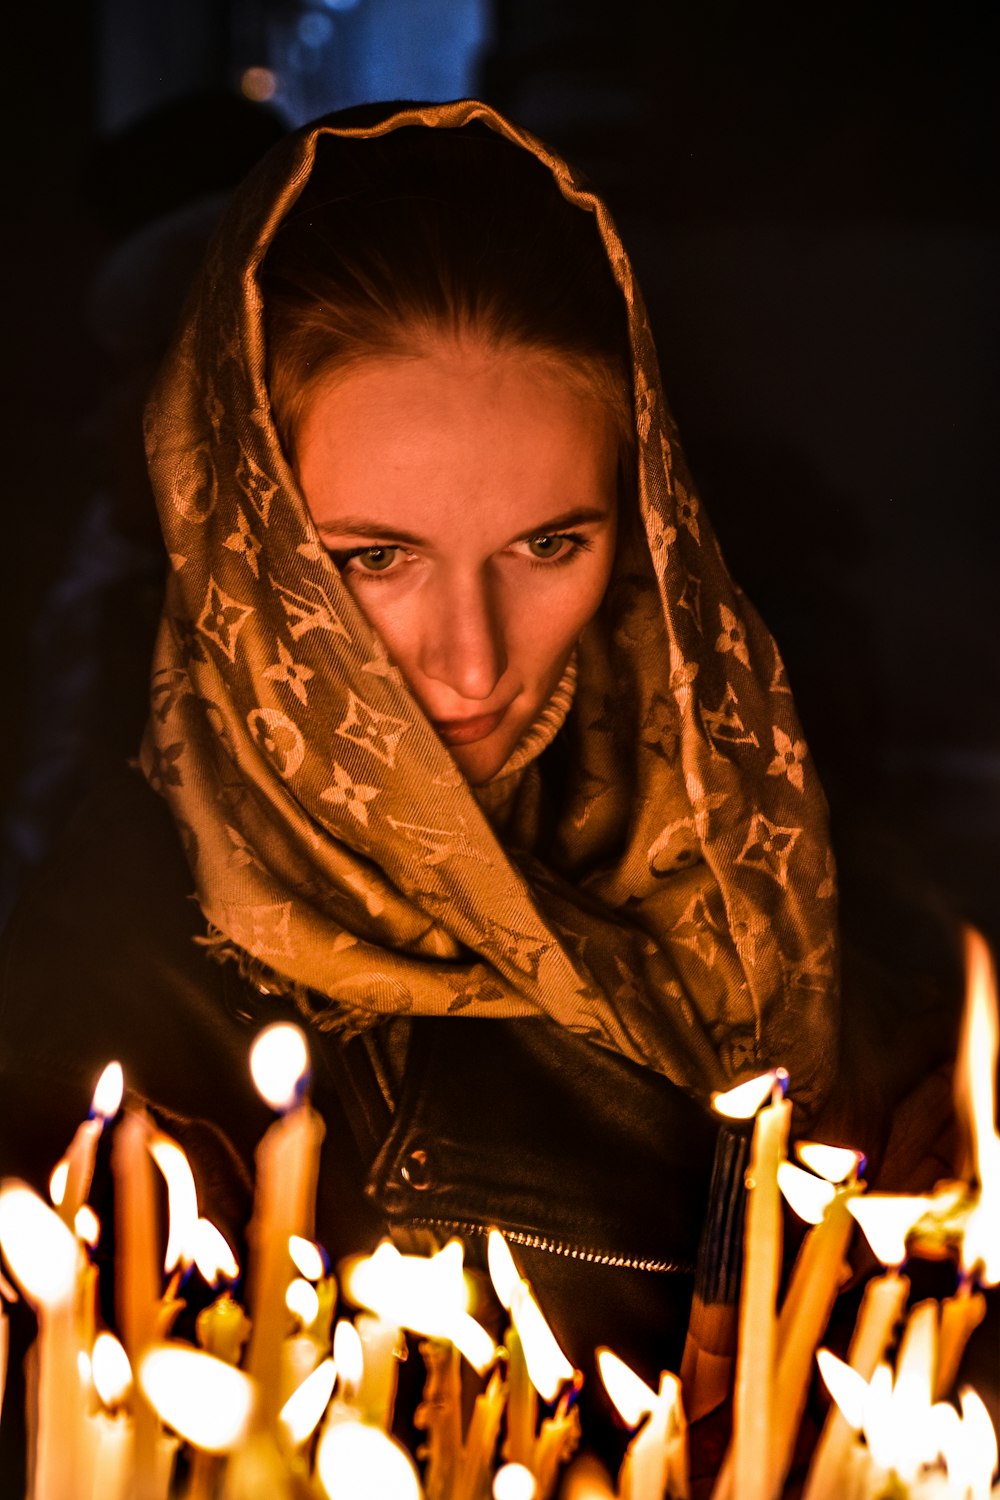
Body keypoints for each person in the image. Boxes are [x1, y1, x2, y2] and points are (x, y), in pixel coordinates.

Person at [0, 100, 959, 1471]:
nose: (471, 666)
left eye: (549, 543)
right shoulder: (119, 1005)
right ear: (245, 540)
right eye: (372, 560)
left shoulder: (796, 862)